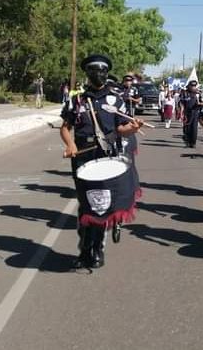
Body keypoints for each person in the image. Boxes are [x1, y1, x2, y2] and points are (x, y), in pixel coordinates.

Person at [60, 54, 143, 269]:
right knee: (85, 204)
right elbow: (65, 127)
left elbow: (121, 128)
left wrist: (132, 128)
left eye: (103, 72)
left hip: (106, 156)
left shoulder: (116, 99)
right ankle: (85, 249)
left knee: (100, 202)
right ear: (88, 74)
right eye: (95, 71)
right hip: (83, 156)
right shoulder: (76, 100)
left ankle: (96, 250)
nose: (100, 75)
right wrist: (70, 145)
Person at [181, 80, 203, 148]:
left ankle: (193, 143)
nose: (193, 87)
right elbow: (181, 102)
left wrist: (200, 104)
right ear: (189, 86)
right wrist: (181, 111)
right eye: (192, 86)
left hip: (195, 112)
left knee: (194, 128)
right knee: (187, 127)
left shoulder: (198, 93)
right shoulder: (185, 93)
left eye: (194, 86)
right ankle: (187, 139)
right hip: (187, 112)